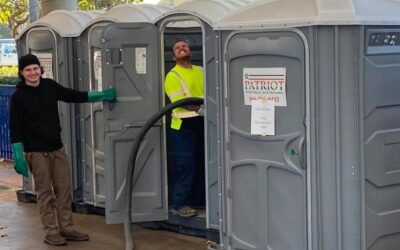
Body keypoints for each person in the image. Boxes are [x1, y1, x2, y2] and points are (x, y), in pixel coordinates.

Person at [9, 54, 116, 246]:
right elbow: (15, 128)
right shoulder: (19, 96)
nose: (33, 73)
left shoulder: (49, 86)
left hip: (57, 149)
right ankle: (51, 232)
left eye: (35, 68)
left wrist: (101, 95)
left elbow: (72, 95)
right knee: (45, 193)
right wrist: (19, 157)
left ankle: (66, 228)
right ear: (22, 73)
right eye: (28, 70)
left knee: (64, 190)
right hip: (37, 152)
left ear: (40, 69)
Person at [165, 40, 205, 217]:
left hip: (202, 123)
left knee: (202, 163)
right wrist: (205, 109)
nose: (182, 48)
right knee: (185, 167)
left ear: (190, 51)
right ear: (174, 56)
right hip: (183, 128)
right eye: (177, 48)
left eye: (185, 46)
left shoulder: (201, 70)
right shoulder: (173, 76)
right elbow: (182, 103)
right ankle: (180, 204)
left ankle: (199, 200)